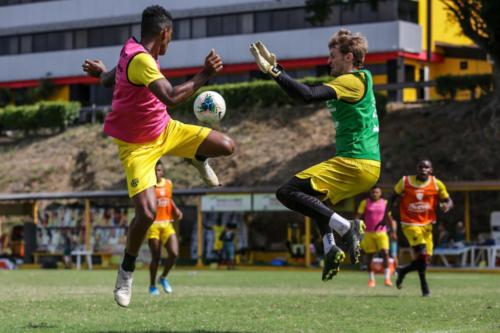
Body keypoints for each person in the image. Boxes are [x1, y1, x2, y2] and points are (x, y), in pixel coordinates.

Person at [82, 5, 235, 307]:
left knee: (227, 146)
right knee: (147, 213)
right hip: (136, 147)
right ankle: (126, 271)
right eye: (170, 38)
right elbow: (171, 96)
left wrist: (100, 73)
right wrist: (205, 74)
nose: (169, 44)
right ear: (165, 33)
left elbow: (110, 79)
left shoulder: (131, 51)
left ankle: (197, 157)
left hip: (165, 130)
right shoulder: (141, 60)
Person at [250, 29, 380, 280]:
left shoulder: (351, 81)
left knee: (286, 192)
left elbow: (306, 95)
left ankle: (347, 227)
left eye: (332, 56)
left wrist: (274, 72)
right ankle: (330, 247)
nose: (328, 61)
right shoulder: (360, 80)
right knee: (316, 199)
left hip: (355, 161)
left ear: (349, 57)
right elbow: (303, 93)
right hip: (367, 166)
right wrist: (278, 68)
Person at [386, 159, 453, 296]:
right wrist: (386, 215)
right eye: (421, 167)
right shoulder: (405, 181)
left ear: (431, 170)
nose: (423, 169)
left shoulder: (436, 183)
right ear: (417, 169)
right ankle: (424, 287)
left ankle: (403, 271)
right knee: (421, 253)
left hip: (427, 225)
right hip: (410, 224)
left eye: (426, 167)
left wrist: (448, 205)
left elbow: (448, 200)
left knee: (425, 259)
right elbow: (392, 197)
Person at [147, 160, 183, 296]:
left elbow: (169, 199)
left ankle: (163, 277)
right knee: (155, 257)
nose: (157, 172)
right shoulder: (149, 186)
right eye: (155, 170)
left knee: (174, 253)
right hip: (153, 225)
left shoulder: (168, 184)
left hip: (167, 223)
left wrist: (176, 209)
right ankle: (152, 286)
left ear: (163, 171)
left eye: (160, 170)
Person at [356, 185, 394, 287]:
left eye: (377, 192)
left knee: (385, 253)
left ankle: (387, 278)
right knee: (370, 256)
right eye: (373, 192)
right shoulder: (365, 203)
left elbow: (389, 217)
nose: (375, 194)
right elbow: (358, 217)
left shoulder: (385, 203)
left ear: (380, 193)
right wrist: (356, 228)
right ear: (370, 193)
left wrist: (393, 231)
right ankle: (371, 279)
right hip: (368, 233)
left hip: (382, 232)